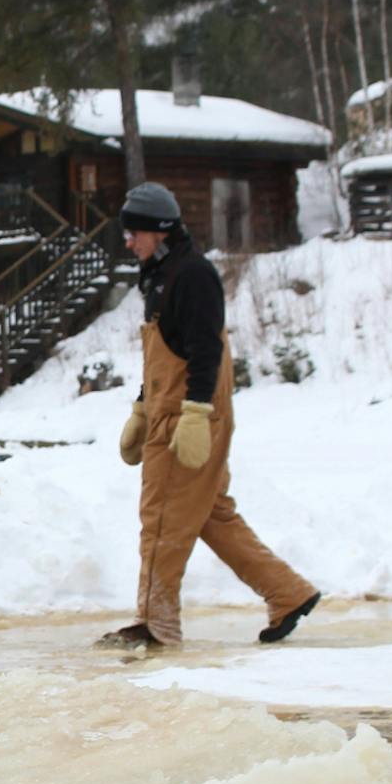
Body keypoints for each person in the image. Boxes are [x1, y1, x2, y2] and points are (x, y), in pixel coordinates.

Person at [98, 182, 320, 653]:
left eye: (134, 233)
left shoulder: (192, 275)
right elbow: (164, 354)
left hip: (188, 420)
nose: (128, 242)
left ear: (158, 231)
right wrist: (141, 407)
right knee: (209, 516)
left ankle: (155, 624)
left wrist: (196, 413)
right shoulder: (159, 277)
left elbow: (205, 350)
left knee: (161, 518)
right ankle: (288, 593)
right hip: (167, 413)